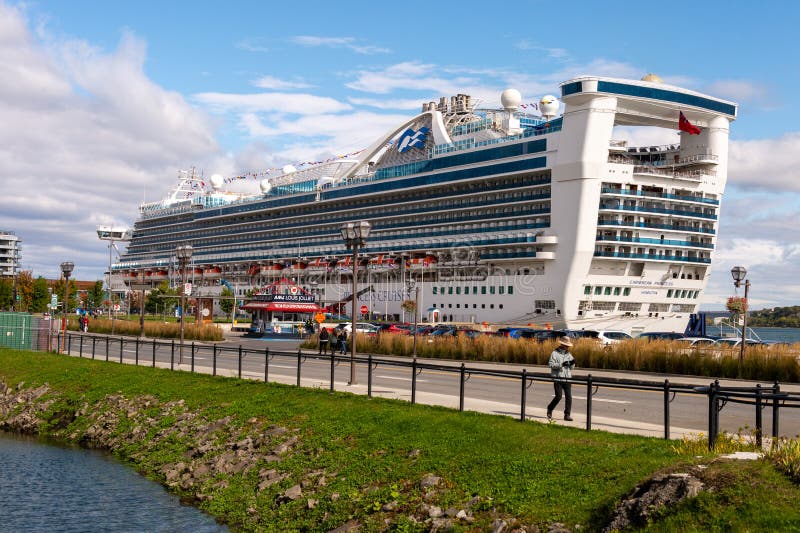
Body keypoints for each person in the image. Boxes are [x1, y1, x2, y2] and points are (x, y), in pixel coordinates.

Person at [546, 336, 576, 421]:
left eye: (568, 346)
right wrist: (562, 364)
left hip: (567, 378)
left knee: (569, 397)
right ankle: (550, 409)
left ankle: (567, 415)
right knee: (558, 396)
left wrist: (571, 363)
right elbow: (550, 364)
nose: (567, 347)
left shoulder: (569, 354)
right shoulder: (554, 353)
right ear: (562, 344)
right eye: (566, 345)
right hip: (558, 378)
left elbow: (572, 367)